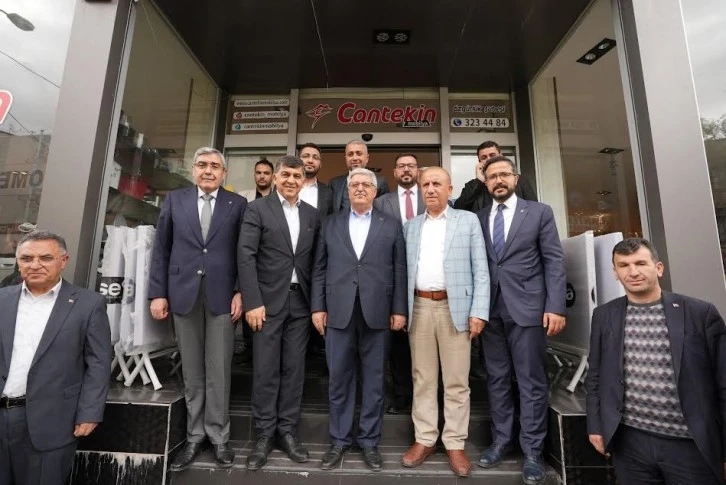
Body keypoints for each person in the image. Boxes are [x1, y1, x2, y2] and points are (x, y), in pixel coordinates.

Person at [586, 237, 726, 485]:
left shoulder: (699, 313)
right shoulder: (604, 315)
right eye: (624, 265)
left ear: (658, 268)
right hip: (630, 444)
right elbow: (595, 376)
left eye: (640, 263)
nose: (633, 272)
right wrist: (596, 426)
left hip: (690, 445)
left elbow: (723, 382)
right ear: (615, 273)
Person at [149, 147, 246, 471]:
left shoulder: (237, 204)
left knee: (219, 369)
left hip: (222, 296)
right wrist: (157, 294)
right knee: (192, 370)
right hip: (183, 293)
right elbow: (161, 250)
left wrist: (240, 291)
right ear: (193, 169)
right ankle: (194, 436)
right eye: (202, 165)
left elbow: (243, 253)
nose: (208, 170)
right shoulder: (175, 200)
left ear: (224, 173)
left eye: (215, 166)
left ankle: (219, 437)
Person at [476, 155, 566, 485]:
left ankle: (532, 451)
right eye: (492, 176)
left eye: (504, 174)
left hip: (528, 309)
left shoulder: (539, 212)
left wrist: (555, 306)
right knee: (497, 378)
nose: (498, 180)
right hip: (490, 311)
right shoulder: (479, 217)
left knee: (531, 381)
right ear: (486, 183)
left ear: (515, 178)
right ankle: (502, 441)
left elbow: (554, 260)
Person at [311, 167, 407, 472]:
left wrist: (399, 309)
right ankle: (339, 440)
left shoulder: (391, 225)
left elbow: (399, 269)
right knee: (339, 378)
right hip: (338, 312)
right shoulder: (330, 223)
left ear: (376, 191)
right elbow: (319, 268)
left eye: (367, 184)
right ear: (348, 190)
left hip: (378, 313)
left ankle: (369, 441)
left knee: (375, 380)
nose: (361, 188)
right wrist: (317, 308)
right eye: (355, 184)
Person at [0, 230, 112, 485]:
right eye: (27, 258)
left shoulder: (88, 304)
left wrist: (90, 412)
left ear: (64, 261)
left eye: (45, 258)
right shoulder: (2, 300)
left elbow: (98, 362)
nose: (35, 265)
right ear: (18, 262)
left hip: (52, 420)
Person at [400, 167, 490, 478]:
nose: (430, 189)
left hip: (457, 308)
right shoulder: (411, 226)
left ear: (450, 189)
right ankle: (425, 438)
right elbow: (403, 270)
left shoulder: (468, 221)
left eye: (437, 183)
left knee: (456, 381)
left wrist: (479, 311)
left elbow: (481, 269)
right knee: (423, 378)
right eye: (425, 184)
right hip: (419, 307)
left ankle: (454, 442)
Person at [237, 156, 320, 470]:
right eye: (285, 175)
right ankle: (263, 434)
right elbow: (245, 256)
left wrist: (317, 305)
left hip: (301, 303)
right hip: (266, 304)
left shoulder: (312, 214)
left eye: (297, 176)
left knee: (294, 370)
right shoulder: (257, 209)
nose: (291, 180)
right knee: (265, 369)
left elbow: (316, 262)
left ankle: (287, 431)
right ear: (275, 178)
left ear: (303, 180)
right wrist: (252, 301)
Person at [373, 154, 424, 414]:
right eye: (401, 166)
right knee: (397, 345)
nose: (406, 170)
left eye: (411, 166)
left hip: (424, 281)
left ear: (418, 171)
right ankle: (402, 396)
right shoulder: (381, 203)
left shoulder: (431, 198)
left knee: (425, 345)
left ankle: (425, 400)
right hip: (391, 281)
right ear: (394, 172)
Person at [454, 141, 537, 213]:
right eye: (484, 157)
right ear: (479, 162)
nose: (488, 159)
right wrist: (479, 182)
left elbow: (533, 208)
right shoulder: (472, 185)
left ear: (501, 155)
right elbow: (458, 208)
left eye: (492, 155)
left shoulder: (519, 180)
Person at [329, 140, 389, 212]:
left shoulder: (380, 182)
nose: (355, 158)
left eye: (359, 154)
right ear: (346, 158)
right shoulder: (335, 183)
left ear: (367, 158)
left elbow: (385, 210)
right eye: (350, 154)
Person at [298, 142, 333, 217]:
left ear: (320, 164)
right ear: (298, 160)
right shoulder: (286, 186)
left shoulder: (328, 192)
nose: (310, 160)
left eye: (315, 157)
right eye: (306, 156)